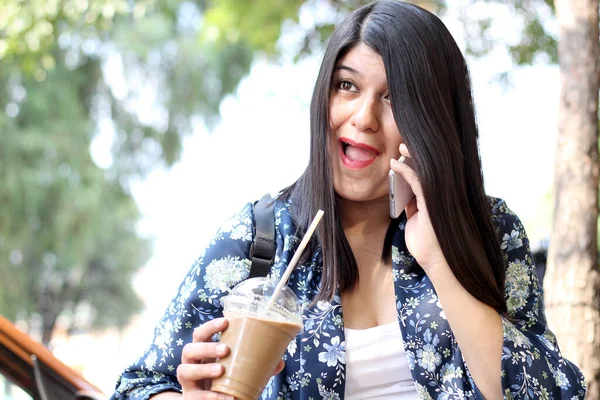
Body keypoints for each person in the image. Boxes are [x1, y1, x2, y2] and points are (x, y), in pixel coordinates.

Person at [111, 1, 586, 399]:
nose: (362, 117)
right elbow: (136, 386)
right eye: (347, 86)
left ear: (434, 119)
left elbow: (549, 390)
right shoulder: (260, 237)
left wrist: (439, 259)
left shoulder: (492, 231)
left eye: (394, 97)